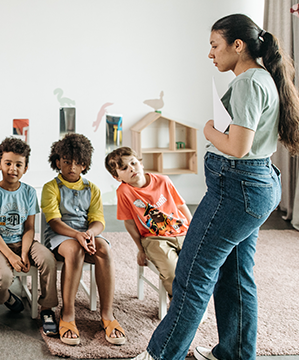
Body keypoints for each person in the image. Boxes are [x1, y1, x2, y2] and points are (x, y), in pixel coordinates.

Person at [132, 14, 299, 360]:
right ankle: (235, 352)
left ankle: (161, 355)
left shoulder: (249, 83)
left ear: (237, 46)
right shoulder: (262, 79)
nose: (210, 54)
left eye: (214, 45)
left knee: (192, 275)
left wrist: (208, 131)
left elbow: (237, 146)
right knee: (236, 275)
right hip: (253, 187)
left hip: (237, 190)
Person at [41, 133, 126, 346]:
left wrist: (90, 234)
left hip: (85, 234)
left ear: (84, 165)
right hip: (61, 236)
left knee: (104, 248)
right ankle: (67, 314)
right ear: (58, 161)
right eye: (67, 162)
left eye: (77, 163)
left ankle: (107, 314)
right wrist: (77, 235)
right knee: (74, 250)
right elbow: (54, 221)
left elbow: (98, 221)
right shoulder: (51, 187)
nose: (71, 167)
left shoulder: (92, 189)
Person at [0, 137, 58, 335]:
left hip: (25, 241)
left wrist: (24, 253)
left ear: (25, 167)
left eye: (18, 164)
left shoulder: (30, 192)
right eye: (8, 163)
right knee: (3, 278)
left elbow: (30, 227)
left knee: (48, 259)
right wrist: (11, 257)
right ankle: (6, 298)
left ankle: (47, 309)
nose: (13, 169)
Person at [105, 147, 192, 297]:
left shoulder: (163, 180)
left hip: (183, 232)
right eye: (124, 168)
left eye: (133, 163)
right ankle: (181, 304)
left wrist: (194, 230)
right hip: (155, 238)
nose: (131, 169)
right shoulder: (124, 192)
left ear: (140, 163)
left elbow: (181, 205)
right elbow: (130, 223)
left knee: (197, 268)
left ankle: (194, 302)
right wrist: (141, 249)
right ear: (117, 177)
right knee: (172, 273)